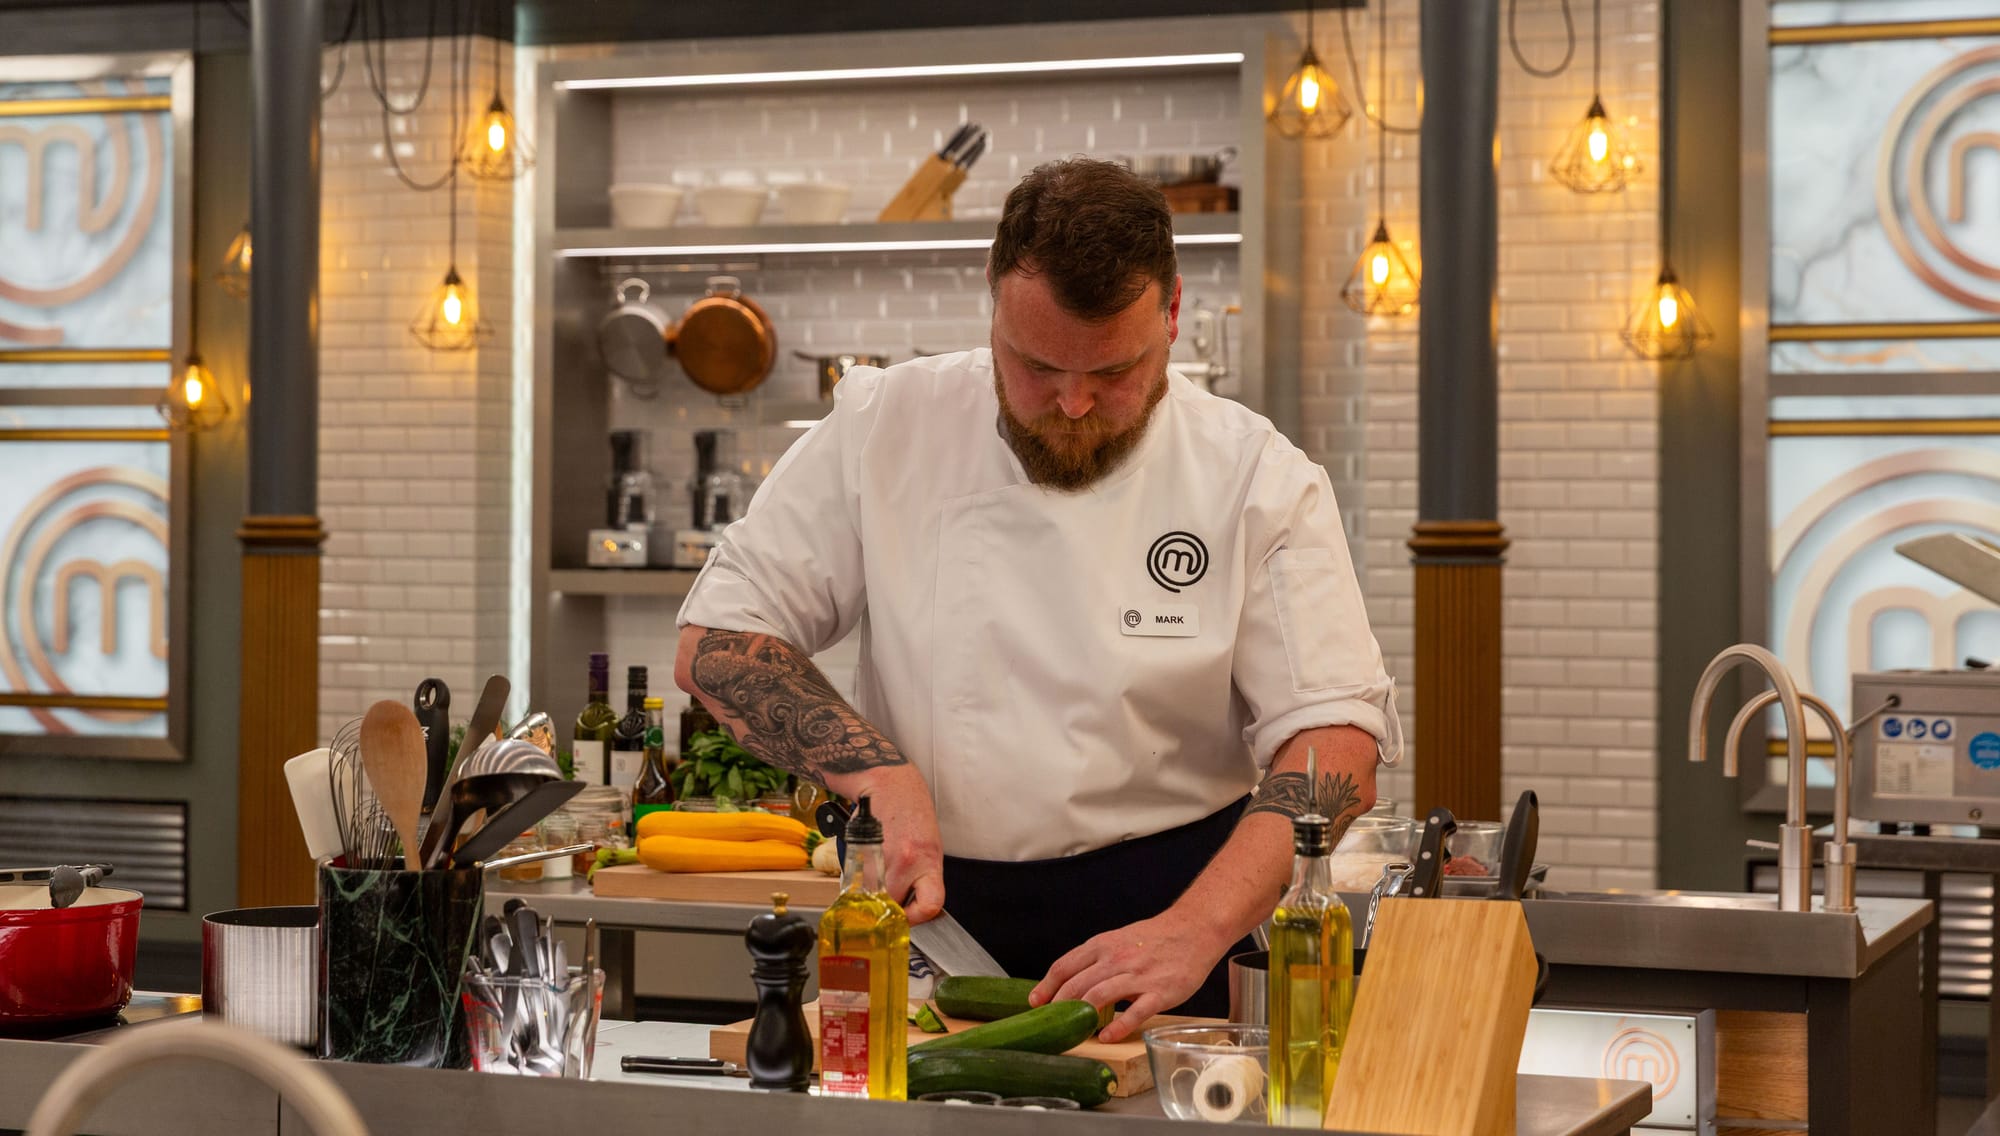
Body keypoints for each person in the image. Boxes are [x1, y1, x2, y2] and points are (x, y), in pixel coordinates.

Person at [674, 157, 1400, 1041]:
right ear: (993, 301)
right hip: (932, 927)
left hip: (1170, 939)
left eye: (1115, 370)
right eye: (1035, 363)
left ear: (1172, 316)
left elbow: (1335, 743)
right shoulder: (885, 425)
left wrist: (1195, 930)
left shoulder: (1255, 476)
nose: (1073, 401)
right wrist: (873, 772)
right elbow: (718, 640)